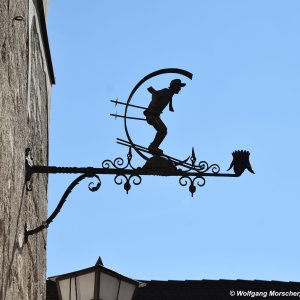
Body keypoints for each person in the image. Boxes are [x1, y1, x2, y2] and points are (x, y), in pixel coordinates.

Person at [143, 78, 186, 155]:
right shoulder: (166, 91)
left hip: (155, 115)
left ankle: (154, 146)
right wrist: (153, 107)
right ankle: (153, 146)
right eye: (178, 86)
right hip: (151, 114)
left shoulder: (169, 94)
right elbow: (155, 94)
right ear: (174, 86)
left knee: (163, 130)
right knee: (163, 130)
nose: (180, 89)